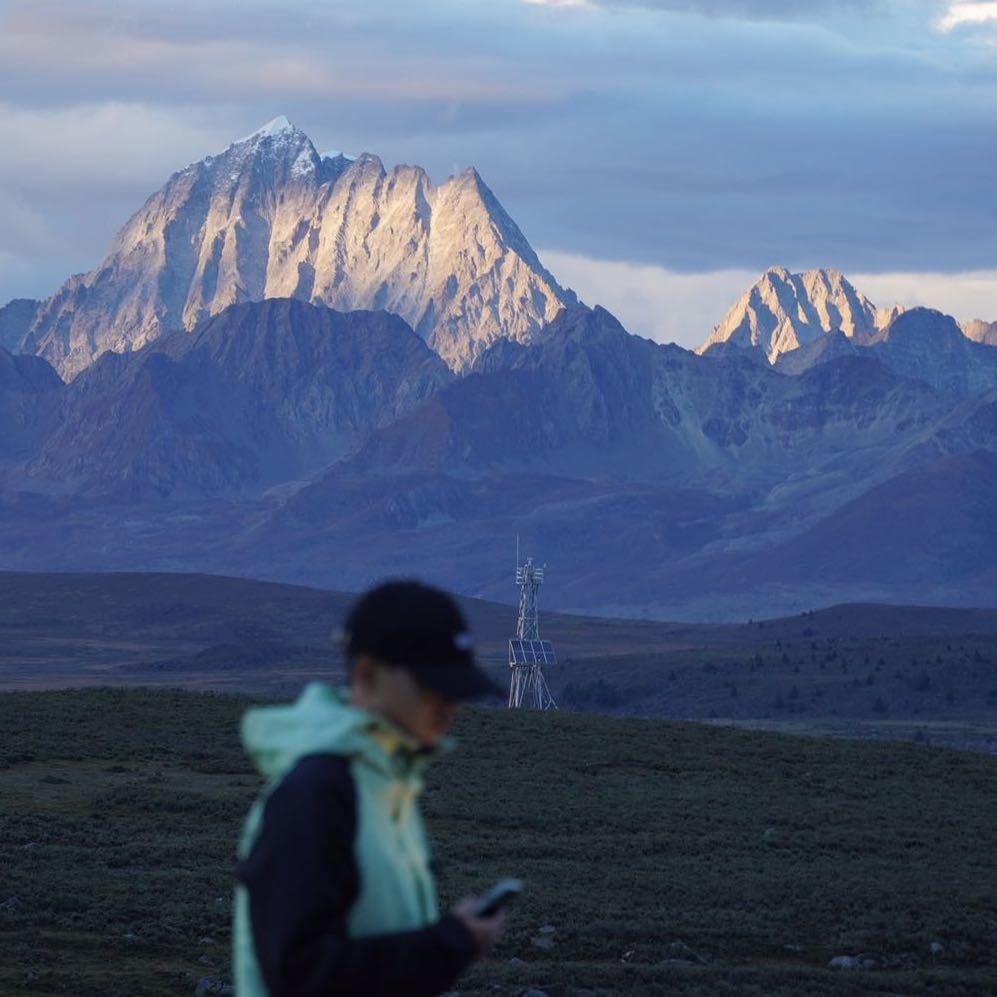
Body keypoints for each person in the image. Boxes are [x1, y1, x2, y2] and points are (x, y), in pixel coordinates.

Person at [232, 580, 506, 996]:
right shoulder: (318, 794)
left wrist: (453, 935)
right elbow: (300, 975)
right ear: (367, 674)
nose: (450, 705)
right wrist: (450, 943)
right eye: (434, 685)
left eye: (458, 689)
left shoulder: (384, 782)